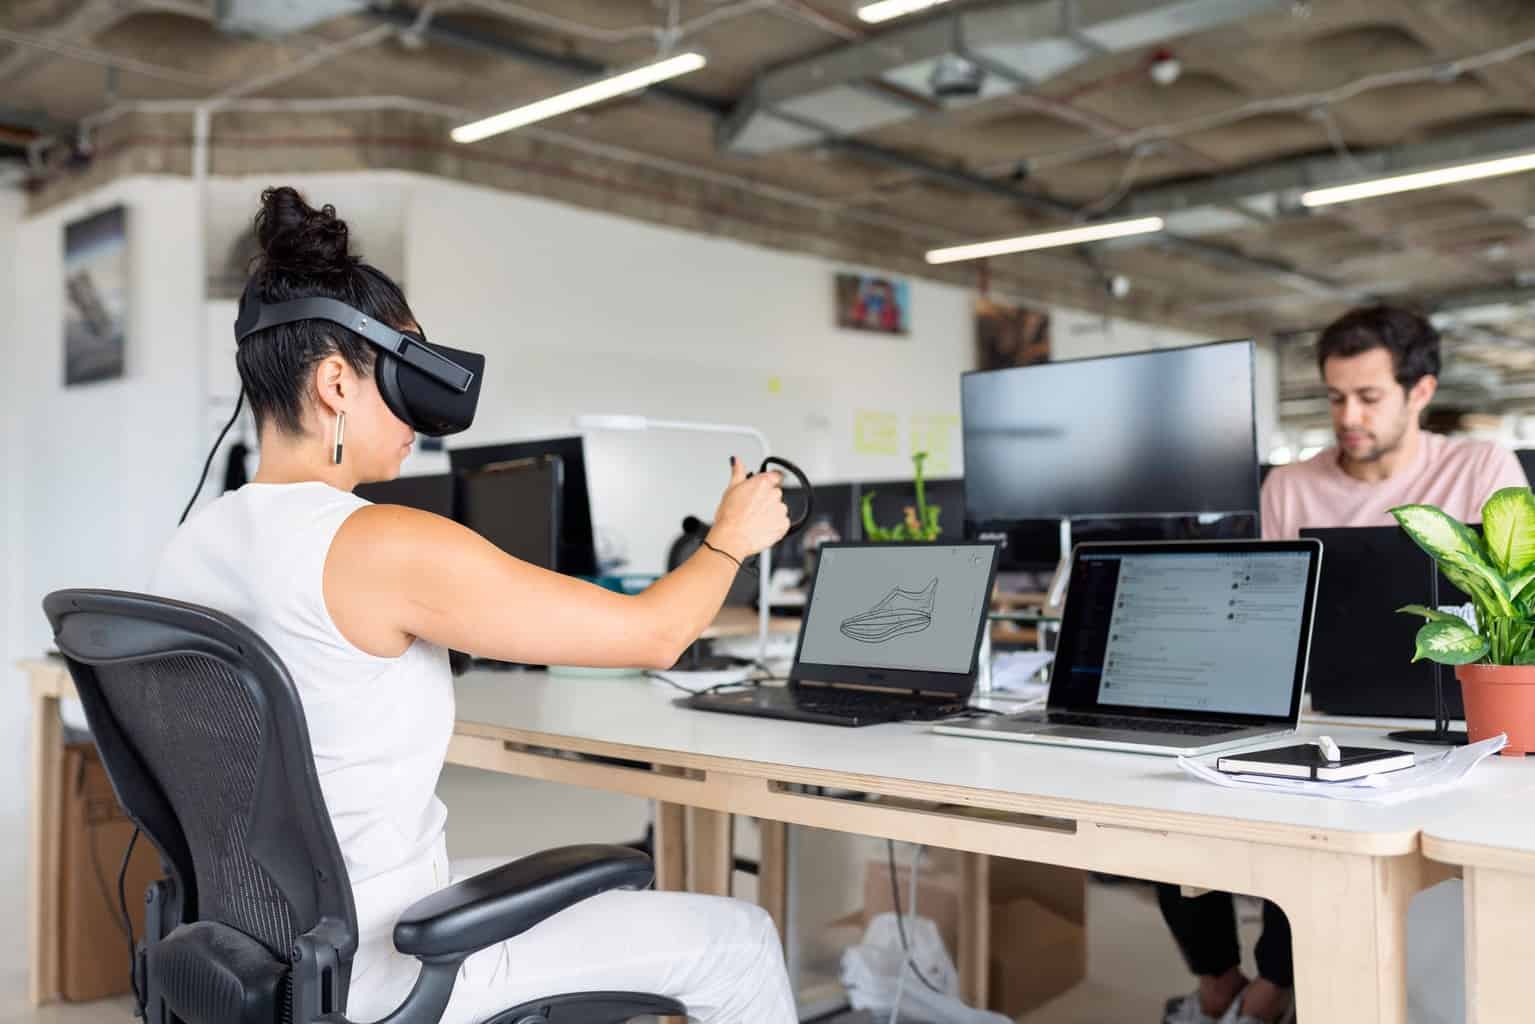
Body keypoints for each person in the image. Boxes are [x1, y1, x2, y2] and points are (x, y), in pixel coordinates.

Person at [151, 187, 798, 1024]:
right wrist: (730, 539)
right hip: (382, 959)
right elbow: (659, 634)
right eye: (402, 370)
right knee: (736, 937)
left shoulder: (190, 545)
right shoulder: (381, 544)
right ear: (338, 382)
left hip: (263, 944)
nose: (420, 416)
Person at [1160, 304, 1526, 1024]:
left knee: (1330, 838)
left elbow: (1512, 612)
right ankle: (1224, 984)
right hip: (1318, 711)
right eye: (1333, 397)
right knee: (1173, 804)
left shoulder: (1480, 468)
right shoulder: (1287, 487)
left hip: (1447, 718)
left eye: (1367, 397)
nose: (1346, 416)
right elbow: (1265, 617)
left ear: (1418, 392)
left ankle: (1266, 994)